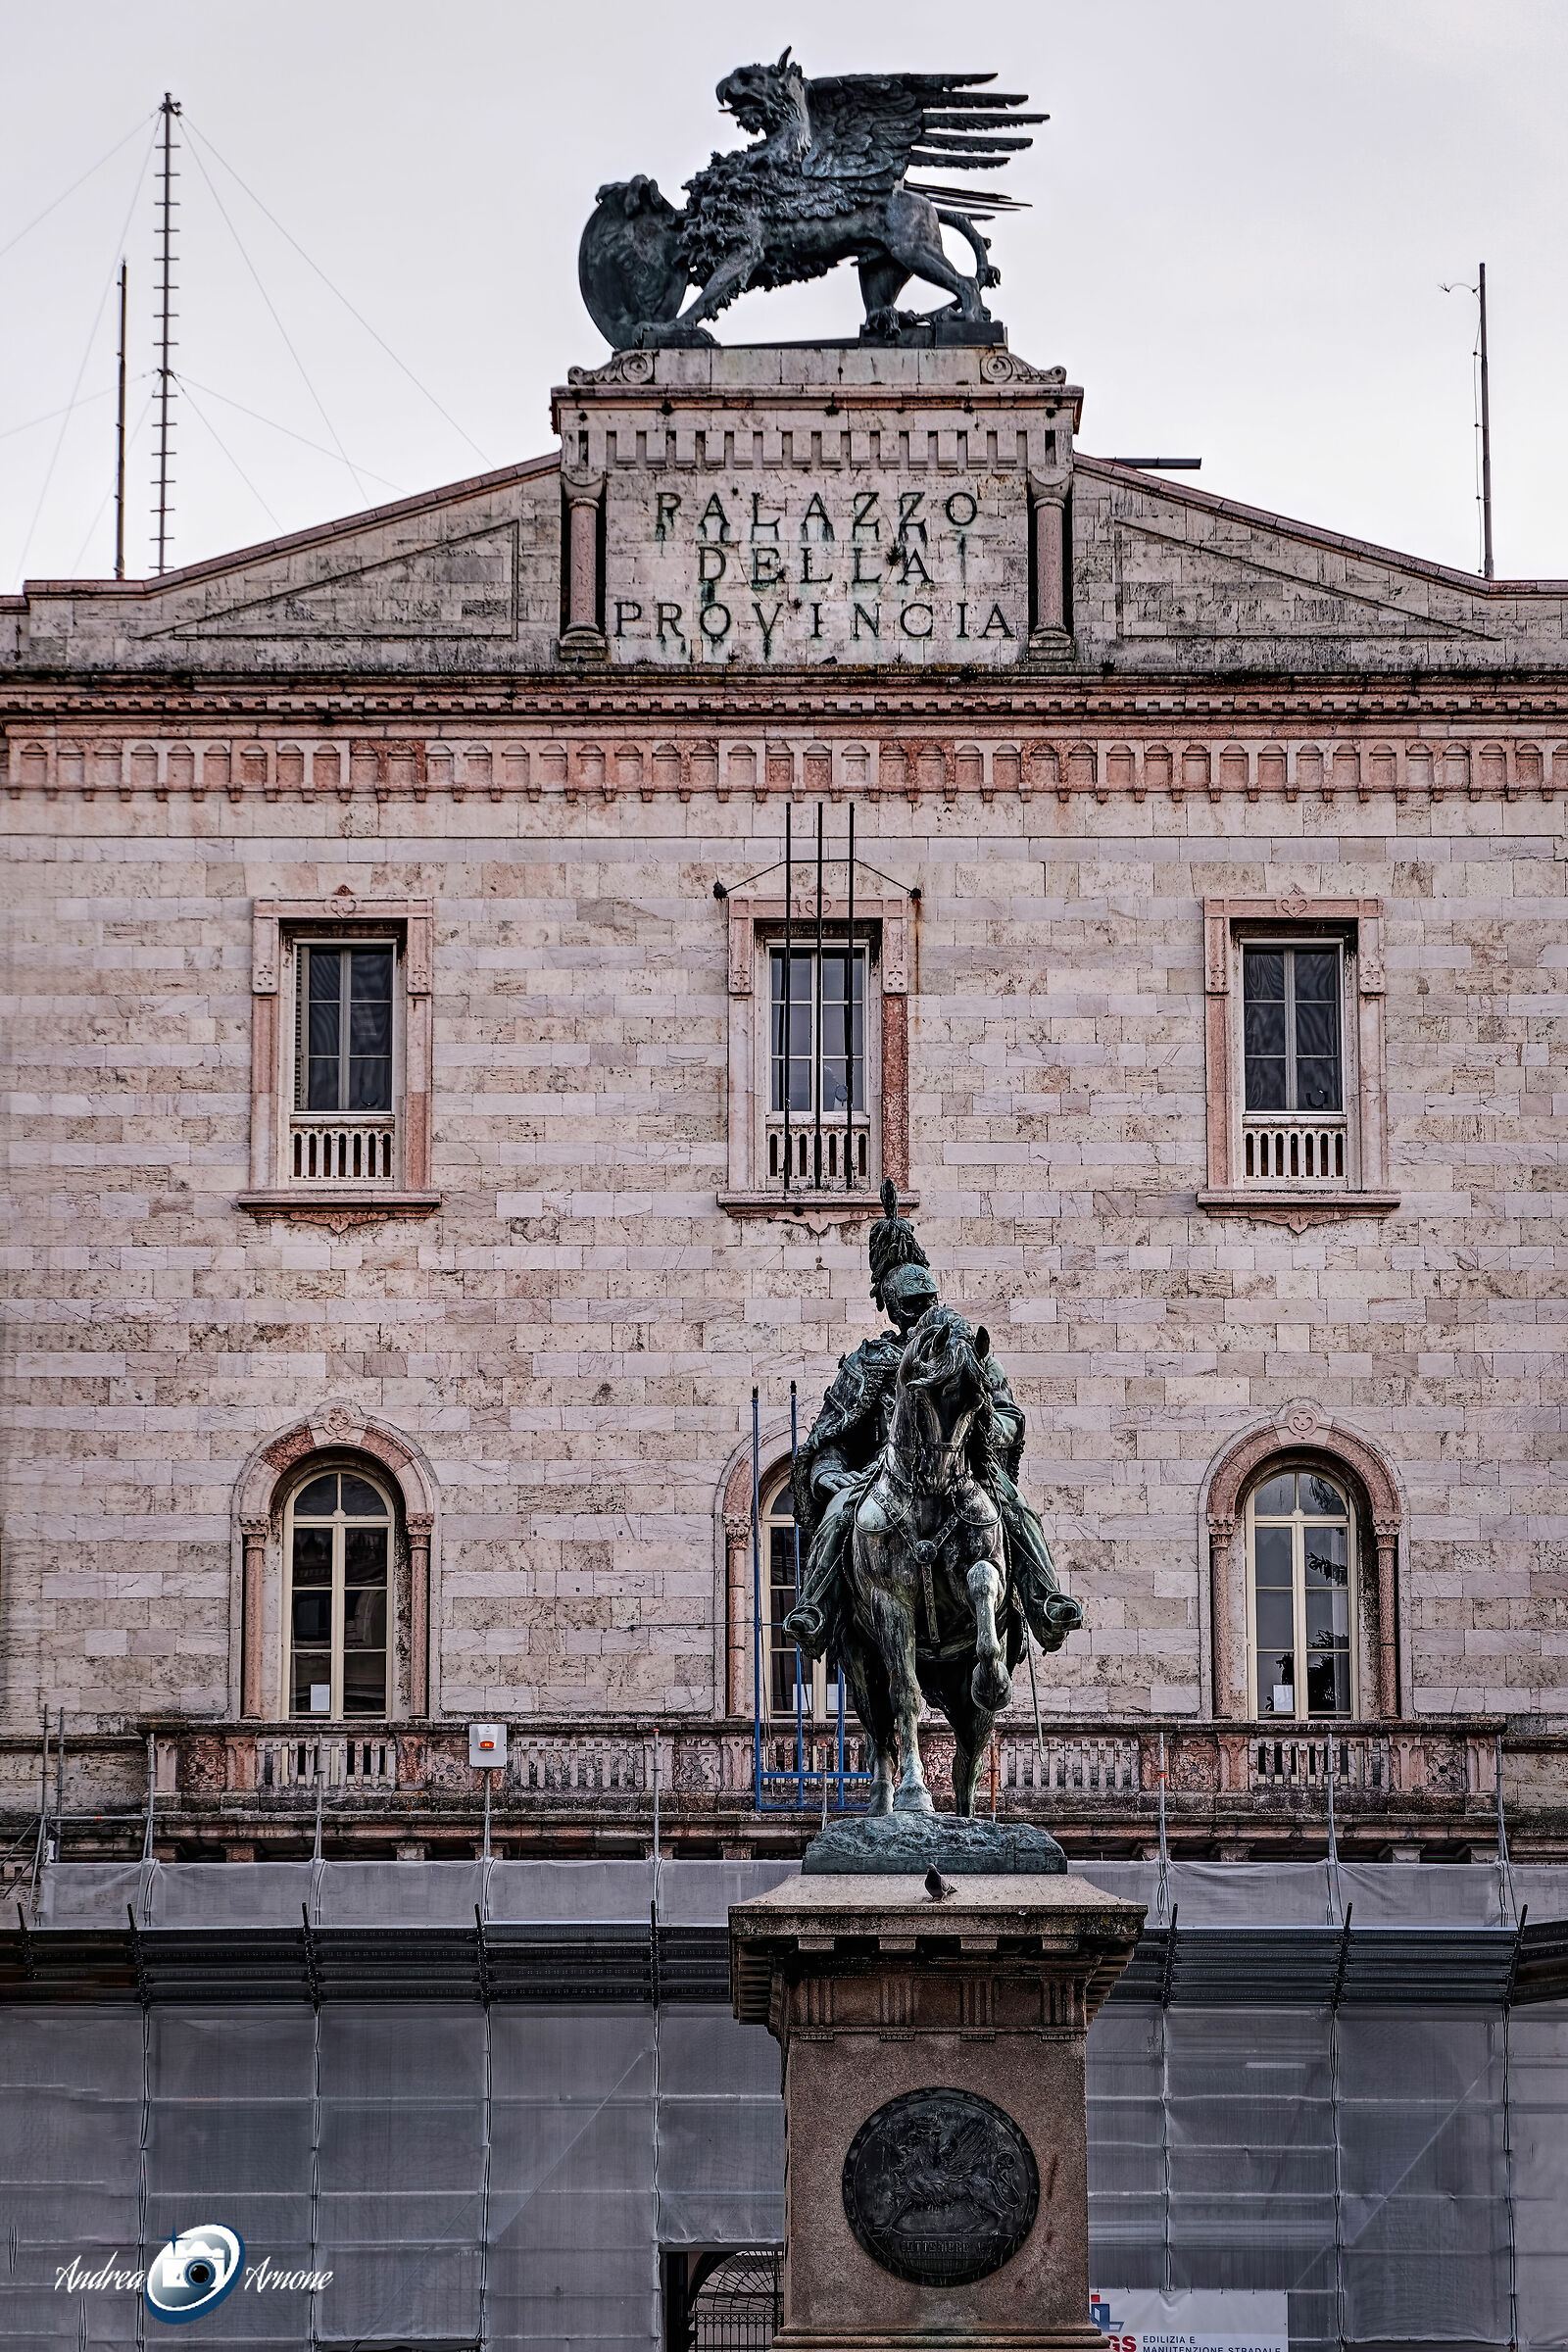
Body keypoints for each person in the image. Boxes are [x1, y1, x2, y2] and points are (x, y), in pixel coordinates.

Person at [784, 1182, 1082, 1682]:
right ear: (890, 1307)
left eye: (925, 1300)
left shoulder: (963, 1354)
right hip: (881, 1478)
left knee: (1014, 1511)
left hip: (963, 1471)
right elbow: (829, 1437)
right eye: (908, 1304)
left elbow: (1010, 1416)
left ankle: (1045, 1599)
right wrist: (827, 1475)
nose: (918, 1311)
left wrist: (978, 1425)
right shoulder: (866, 1364)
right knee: (838, 1516)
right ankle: (814, 1610)